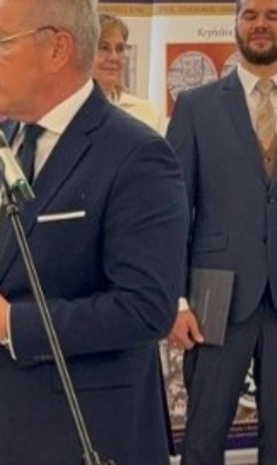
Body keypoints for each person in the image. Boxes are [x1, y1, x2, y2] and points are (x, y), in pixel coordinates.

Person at [0, 0, 189, 464]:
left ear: (57, 49)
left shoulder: (136, 154)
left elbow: (145, 308)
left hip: (82, 435)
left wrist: (9, 324)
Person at [167, 0, 277, 463]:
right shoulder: (196, 107)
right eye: (250, 15)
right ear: (235, 23)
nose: (261, 25)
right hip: (215, 298)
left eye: (273, 15)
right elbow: (173, 211)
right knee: (204, 436)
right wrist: (176, 300)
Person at [92, 13, 164, 133]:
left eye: (120, 49)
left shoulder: (148, 113)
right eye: (104, 48)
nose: (114, 57)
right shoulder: (67, 110)